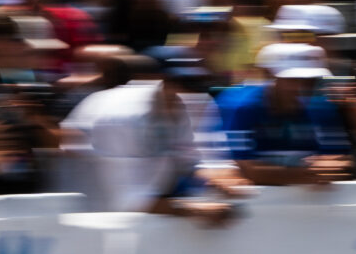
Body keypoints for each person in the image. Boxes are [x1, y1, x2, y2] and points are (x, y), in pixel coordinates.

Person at [56, 45, 241, 221]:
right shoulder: (120, 116)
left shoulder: (188, 103)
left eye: (193, 82)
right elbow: (127, 200)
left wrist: (219, 178)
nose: (186, 90)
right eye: (176, 82)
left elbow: (192, 160)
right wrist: (192, 208)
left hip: (131, 210)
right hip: (83, 213)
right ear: (155, 80)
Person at [218, 44, 351, 186]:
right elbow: (245, 170)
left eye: (311, 81)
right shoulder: (243, 108)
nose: (303, 87)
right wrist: (306, 174)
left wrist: (333, 164)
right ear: (272, 76)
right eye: (293, 80)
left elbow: (342, 159)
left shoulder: (323, 108)